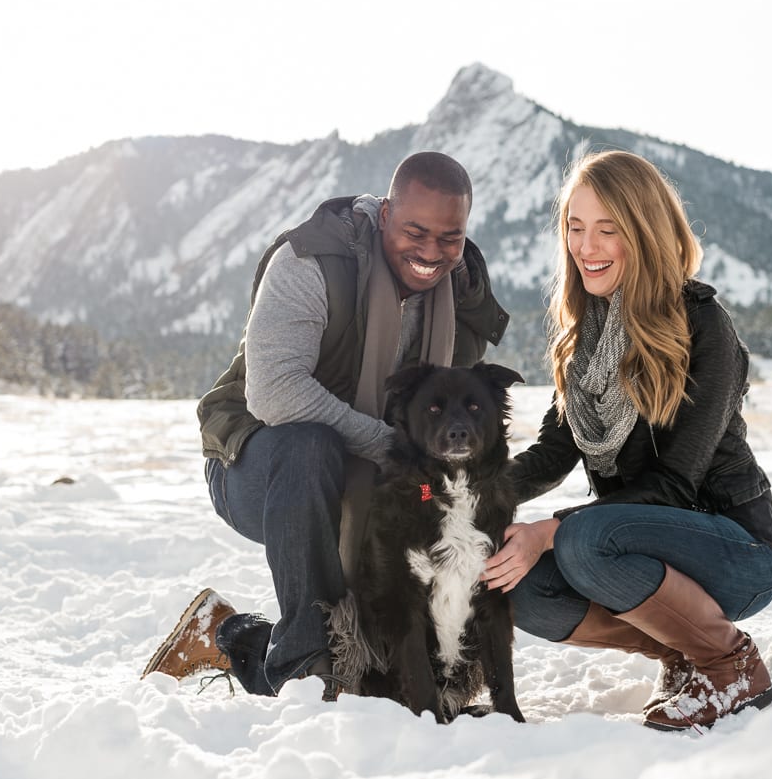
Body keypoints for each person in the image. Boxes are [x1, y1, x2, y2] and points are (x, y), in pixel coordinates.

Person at [143, 152, 509, 697]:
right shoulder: (310, 261)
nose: (432, 253)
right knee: (309, 447)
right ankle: (305, 669)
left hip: (381, 475)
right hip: (260, 463)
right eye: (415, 231)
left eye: (449, 238)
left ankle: (226, 634)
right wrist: (393, 447)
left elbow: (460, 403)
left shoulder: (459, 289)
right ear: (385, 213)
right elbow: (274, 394)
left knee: (385, 638)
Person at [481, 149, 772, 731]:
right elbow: (551, 453)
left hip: (734, 552)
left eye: (607, 229)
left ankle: (730, 666)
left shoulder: (702, 325)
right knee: (511, 580)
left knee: (583, 539)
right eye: (574, 228)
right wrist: (465, 497)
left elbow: (675, 483)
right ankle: (682, 652)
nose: (586, 247)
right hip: (638, 544)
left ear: (643, 232)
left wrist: (552, 529)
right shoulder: (584, 339)